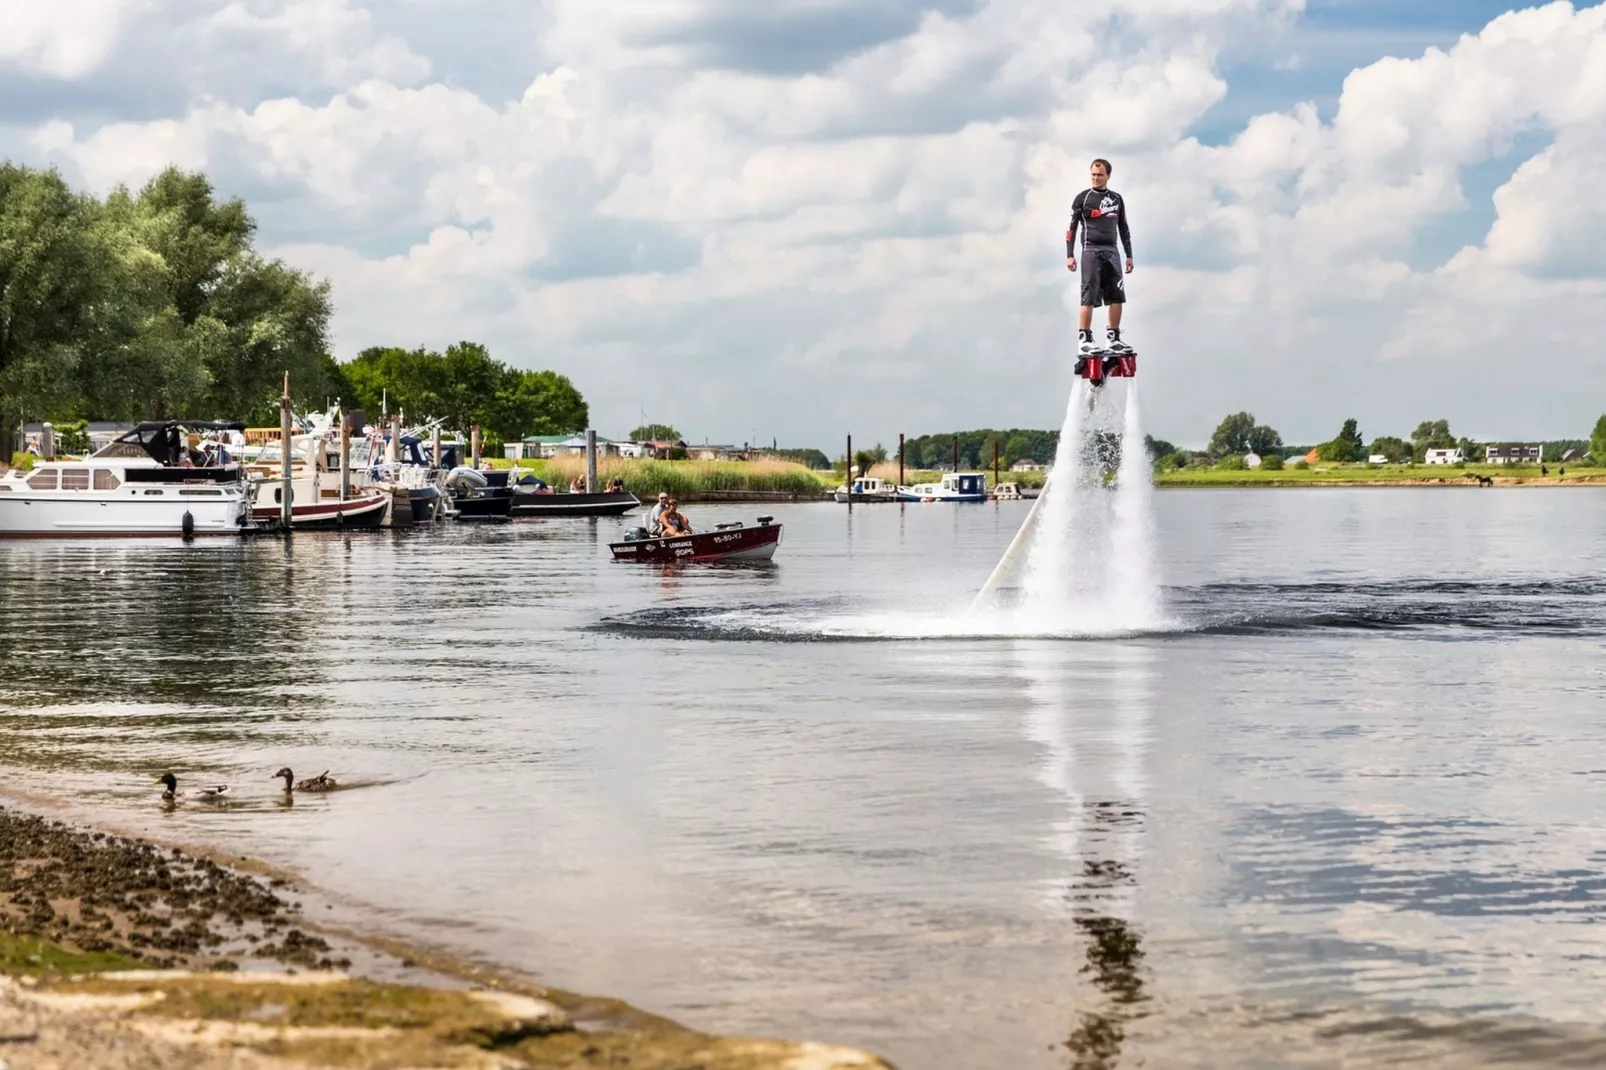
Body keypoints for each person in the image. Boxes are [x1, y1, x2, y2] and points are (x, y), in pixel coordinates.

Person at [1065, 158, 1134, 358]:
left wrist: (1129, 255)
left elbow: (1124, 228)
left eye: (1100, 175)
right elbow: (1071, 229)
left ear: (1108, 176)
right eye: (1093, 175)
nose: (1095, 178)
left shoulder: (1117, 199)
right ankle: (1084, 339)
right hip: (1090, 250)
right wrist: (1069, 255)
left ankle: (1113, 338)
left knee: (1117, 295)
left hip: (1112, 251)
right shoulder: (1083, 198)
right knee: (1088, 296)